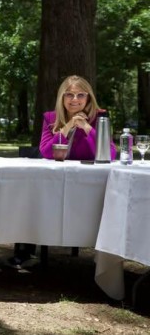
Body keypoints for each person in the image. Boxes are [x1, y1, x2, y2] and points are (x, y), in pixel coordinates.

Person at [9, 75, 116, 269]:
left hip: (89, 182)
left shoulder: (99, 117)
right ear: (62, 97)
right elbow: (46, 152)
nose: (74, 99)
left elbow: (110, 153)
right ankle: (26, 250)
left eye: (80, 95)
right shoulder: (50, 117)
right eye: (69, 95)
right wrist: (67, 127)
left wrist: (86, 128)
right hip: (55, 181)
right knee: (33, 197)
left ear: (88, 98)